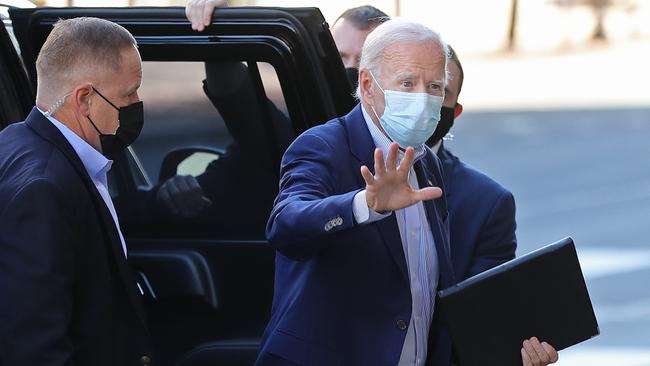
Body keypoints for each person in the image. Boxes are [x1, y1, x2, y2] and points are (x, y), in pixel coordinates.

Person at [256, 19, 557, 366]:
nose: (423, 99)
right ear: (368, 85)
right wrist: (363, 205)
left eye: (434, 87)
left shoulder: (427, 161)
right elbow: (286, 224)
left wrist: (512, 348)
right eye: (407, 83)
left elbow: (429, 299)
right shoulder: (323, 146)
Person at [0, 17, 153, 366]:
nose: (138, 102)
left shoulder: (14, 142)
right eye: (129, 93)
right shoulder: (43, 192)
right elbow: (35, 346)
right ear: (84, 99)